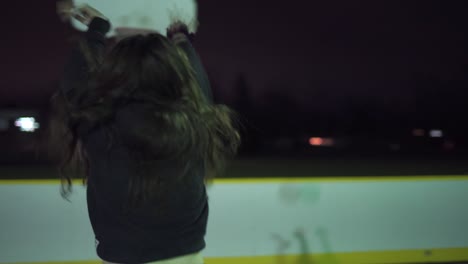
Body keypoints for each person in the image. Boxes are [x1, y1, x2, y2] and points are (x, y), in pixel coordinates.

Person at [51, 2, 241, 264]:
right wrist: (181, 37)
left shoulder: (99, 125)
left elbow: (74, 84)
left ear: (116, 73)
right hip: (185, 255)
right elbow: (198, 84)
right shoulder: (194, 121)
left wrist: (97, 30)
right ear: (173, 74)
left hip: (121, 254)